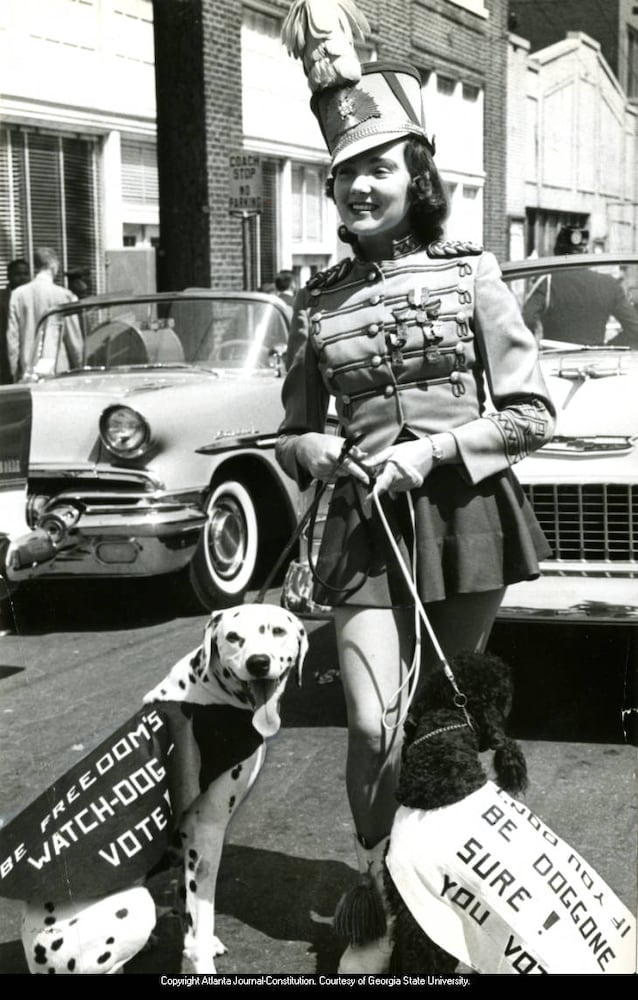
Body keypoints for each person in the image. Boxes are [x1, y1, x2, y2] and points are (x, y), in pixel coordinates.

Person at [277, 2, 556, 975]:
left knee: (439, 718)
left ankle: (435, 904)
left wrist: (433, 453)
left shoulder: (470, 271)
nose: (360, 184)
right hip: (361, 529)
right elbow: (294, 427)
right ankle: (377, 883)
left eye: (378, 167)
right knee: (369, 722)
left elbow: (530, 412)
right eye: (345, 172)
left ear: (414, 176)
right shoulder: (316, 303)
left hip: (460, 517)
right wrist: (315, 451)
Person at [522, 226, 638, 346]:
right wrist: (608, 346)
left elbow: (525, 321)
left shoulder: (547, 283)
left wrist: (536, 345)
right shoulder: (610, 284)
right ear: (587, 253)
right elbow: (635, 329)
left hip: (555, 360)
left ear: (556, 253)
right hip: (598, 361)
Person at [6, 247, 82, 381]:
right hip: (58, 368)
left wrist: (13, 371)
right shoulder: (64, 296)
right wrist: (79, 366)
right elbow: (74, 340)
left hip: (28, 368)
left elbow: (12, 338)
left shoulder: (18, 295)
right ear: (53, 265)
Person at [0, 258, 31, 384]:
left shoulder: (32, 297)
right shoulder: (2, 299)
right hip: (4, 361)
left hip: (28, 358)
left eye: (26, 274)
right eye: (18, 274)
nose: (23, 278)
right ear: (9, 276)